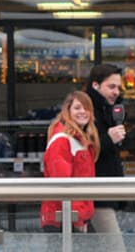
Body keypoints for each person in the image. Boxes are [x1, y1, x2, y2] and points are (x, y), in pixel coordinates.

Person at [85, 63, 127, 252]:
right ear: (95, 85)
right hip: (96, 192)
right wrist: (108, 139)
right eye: (111, 87)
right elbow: (83, 150)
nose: (116, 92)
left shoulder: (107, 110)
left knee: (98, 251)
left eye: (118, 87)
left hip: (104, 190)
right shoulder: (86, 111)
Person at [40, 90, 100, 233]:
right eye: (77, 108)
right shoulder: (62, 140)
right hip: (64, 218)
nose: (83, 112)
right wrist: (77, 219)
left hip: (72, 216)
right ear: (67, 111)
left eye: (86, 108)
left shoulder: (79, 139)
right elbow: (62, 184)